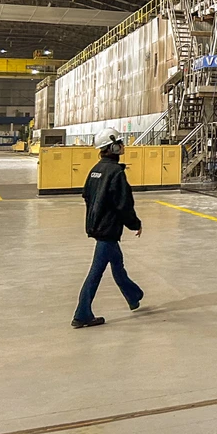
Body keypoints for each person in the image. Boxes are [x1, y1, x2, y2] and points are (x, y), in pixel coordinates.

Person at [71, 129, 145, 328]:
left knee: (118, 265)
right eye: (119, 142)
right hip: (108, 231)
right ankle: (82, 314)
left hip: (98, 226)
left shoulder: (96, 169)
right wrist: (135, 224)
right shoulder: (115, 173)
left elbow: (87, 196)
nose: (122, 145)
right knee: (96, 272)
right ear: (112, 146)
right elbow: (123, 204)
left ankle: (133, 295)